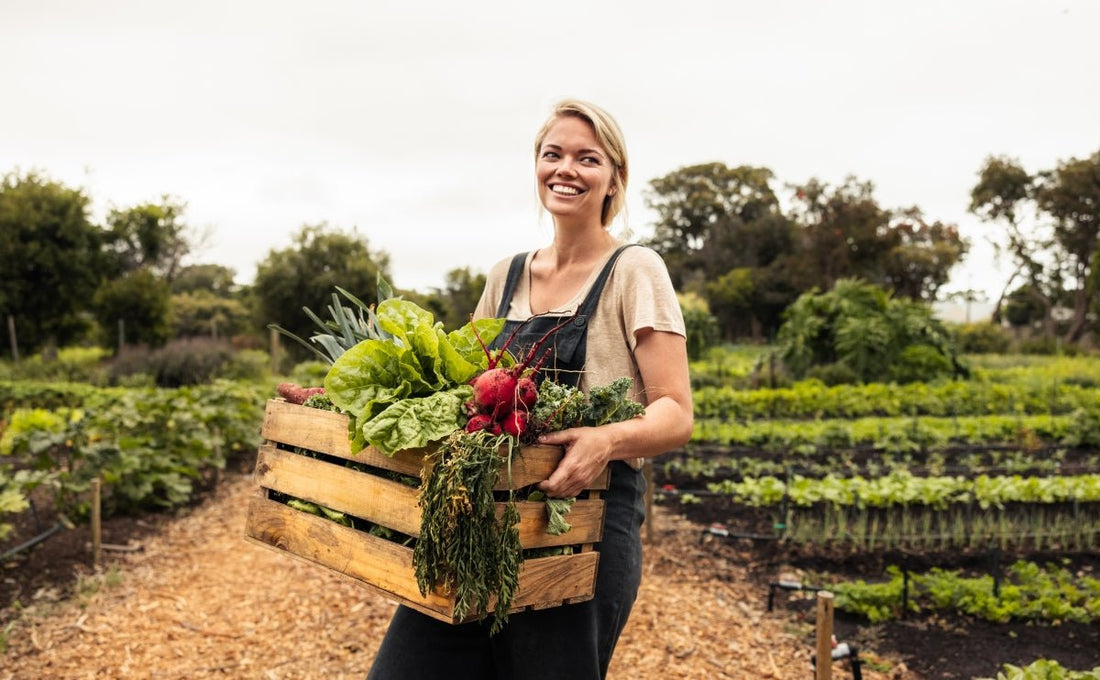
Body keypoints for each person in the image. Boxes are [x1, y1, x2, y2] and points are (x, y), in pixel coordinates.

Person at [367, 99, 693, 680]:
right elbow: (461, 388)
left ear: (615, 177)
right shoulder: (507, 275)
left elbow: (675, 412)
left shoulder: (635, 269)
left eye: (587, 158)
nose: (566, 168)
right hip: (482, 515)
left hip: (582, 524)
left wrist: (606, 439)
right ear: (537, 166)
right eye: (553, 154)